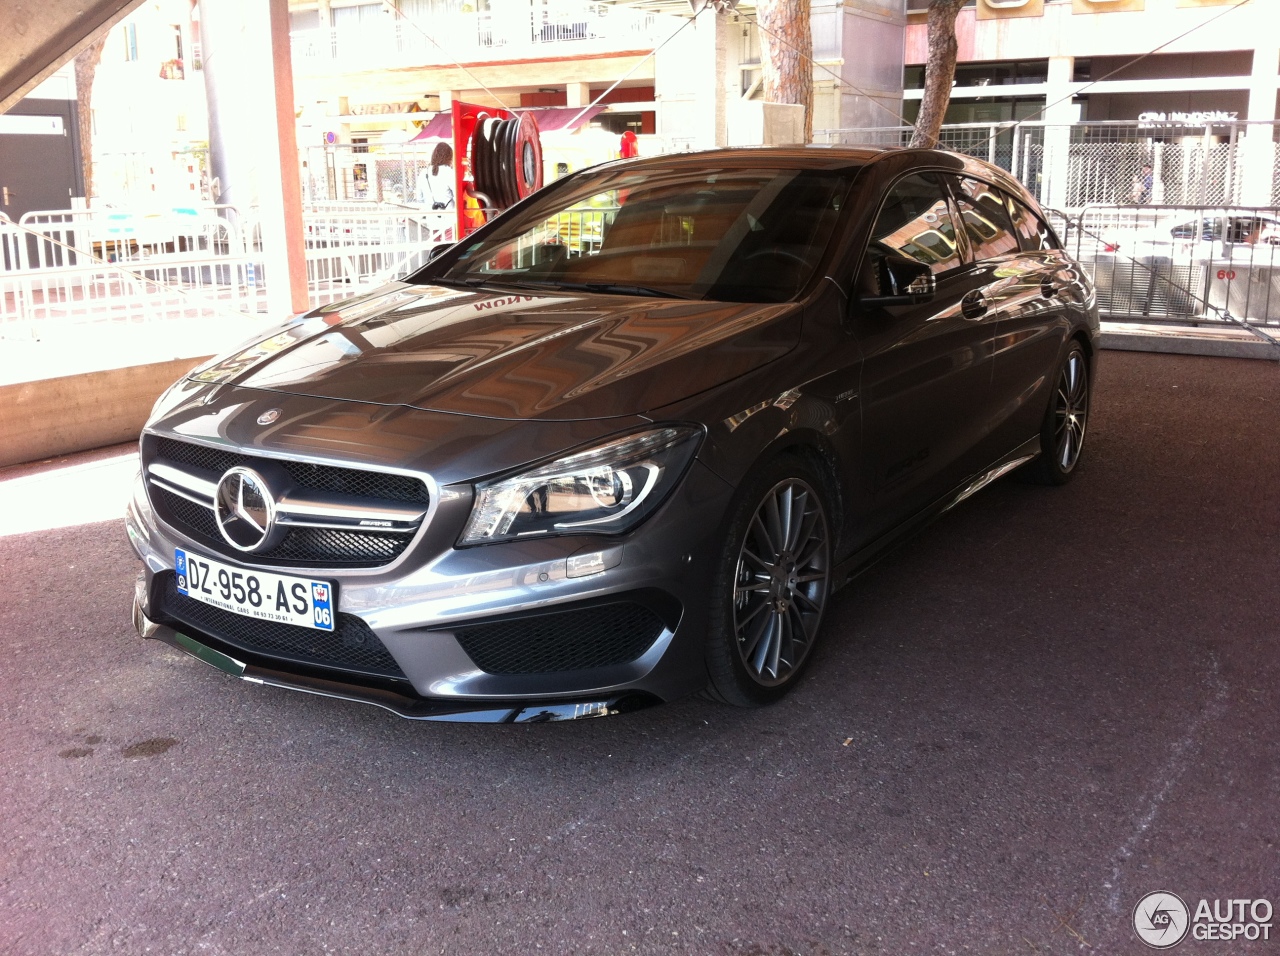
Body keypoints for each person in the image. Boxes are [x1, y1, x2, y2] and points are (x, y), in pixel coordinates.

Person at [416, 142, 455, 210]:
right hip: (449, 215)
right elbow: (457, 195)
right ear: (449, 157)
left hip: (430, 216)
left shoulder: (423, 173)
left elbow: (419, 199)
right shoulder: (449, 172)